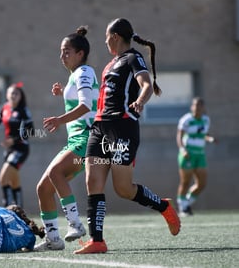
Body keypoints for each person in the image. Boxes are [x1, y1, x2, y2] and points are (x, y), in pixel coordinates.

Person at [74, 18, 181, 254]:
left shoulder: (133, 58)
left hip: (122, 128)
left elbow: (146, 85)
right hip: (100, 128)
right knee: (93, 181)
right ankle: (97, 240)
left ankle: (163, 206)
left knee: (123, 189)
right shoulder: (110, 64)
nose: (104, 41)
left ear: (114, 36)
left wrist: (140, 101)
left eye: (105, 36)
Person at [34, 26, 99, 251]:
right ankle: (53, 239)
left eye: (67, 51)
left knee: (55, 172)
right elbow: (86, 98)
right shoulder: (76, 76)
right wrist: (64, 92)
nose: (62, 55)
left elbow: (86, 105)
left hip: (87, 139)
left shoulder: (83, 73)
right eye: (61, 51)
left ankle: (76, 224)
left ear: (80, 53)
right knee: (43, 188)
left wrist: (60, 120)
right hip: (76, 140)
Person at [0, 83, 34, 207]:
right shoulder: (5, 108)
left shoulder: (24, 111)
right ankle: (20, 210)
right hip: (9, 149)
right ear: (7, 95)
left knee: (2, 179)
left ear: (21, 96)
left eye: (16, 93)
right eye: (11, 93)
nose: (13, 95)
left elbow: (31, 131)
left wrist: (14, 140)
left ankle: (7, 208)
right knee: (14, 182)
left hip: (21, 149)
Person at [176, 97, 216, 216]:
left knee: (202, 183)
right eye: (195, 105)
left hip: (200, 154)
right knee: (185, 182)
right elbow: (179, 136)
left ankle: (186, 203)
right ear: (191, 107)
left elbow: (203, 134)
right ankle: (182, 208)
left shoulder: (206, 119)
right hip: (188, 154)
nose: (197, 107)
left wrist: (210, 139)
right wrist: (183, 150)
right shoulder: (186, 119)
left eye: (199, 105)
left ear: (203, 108)